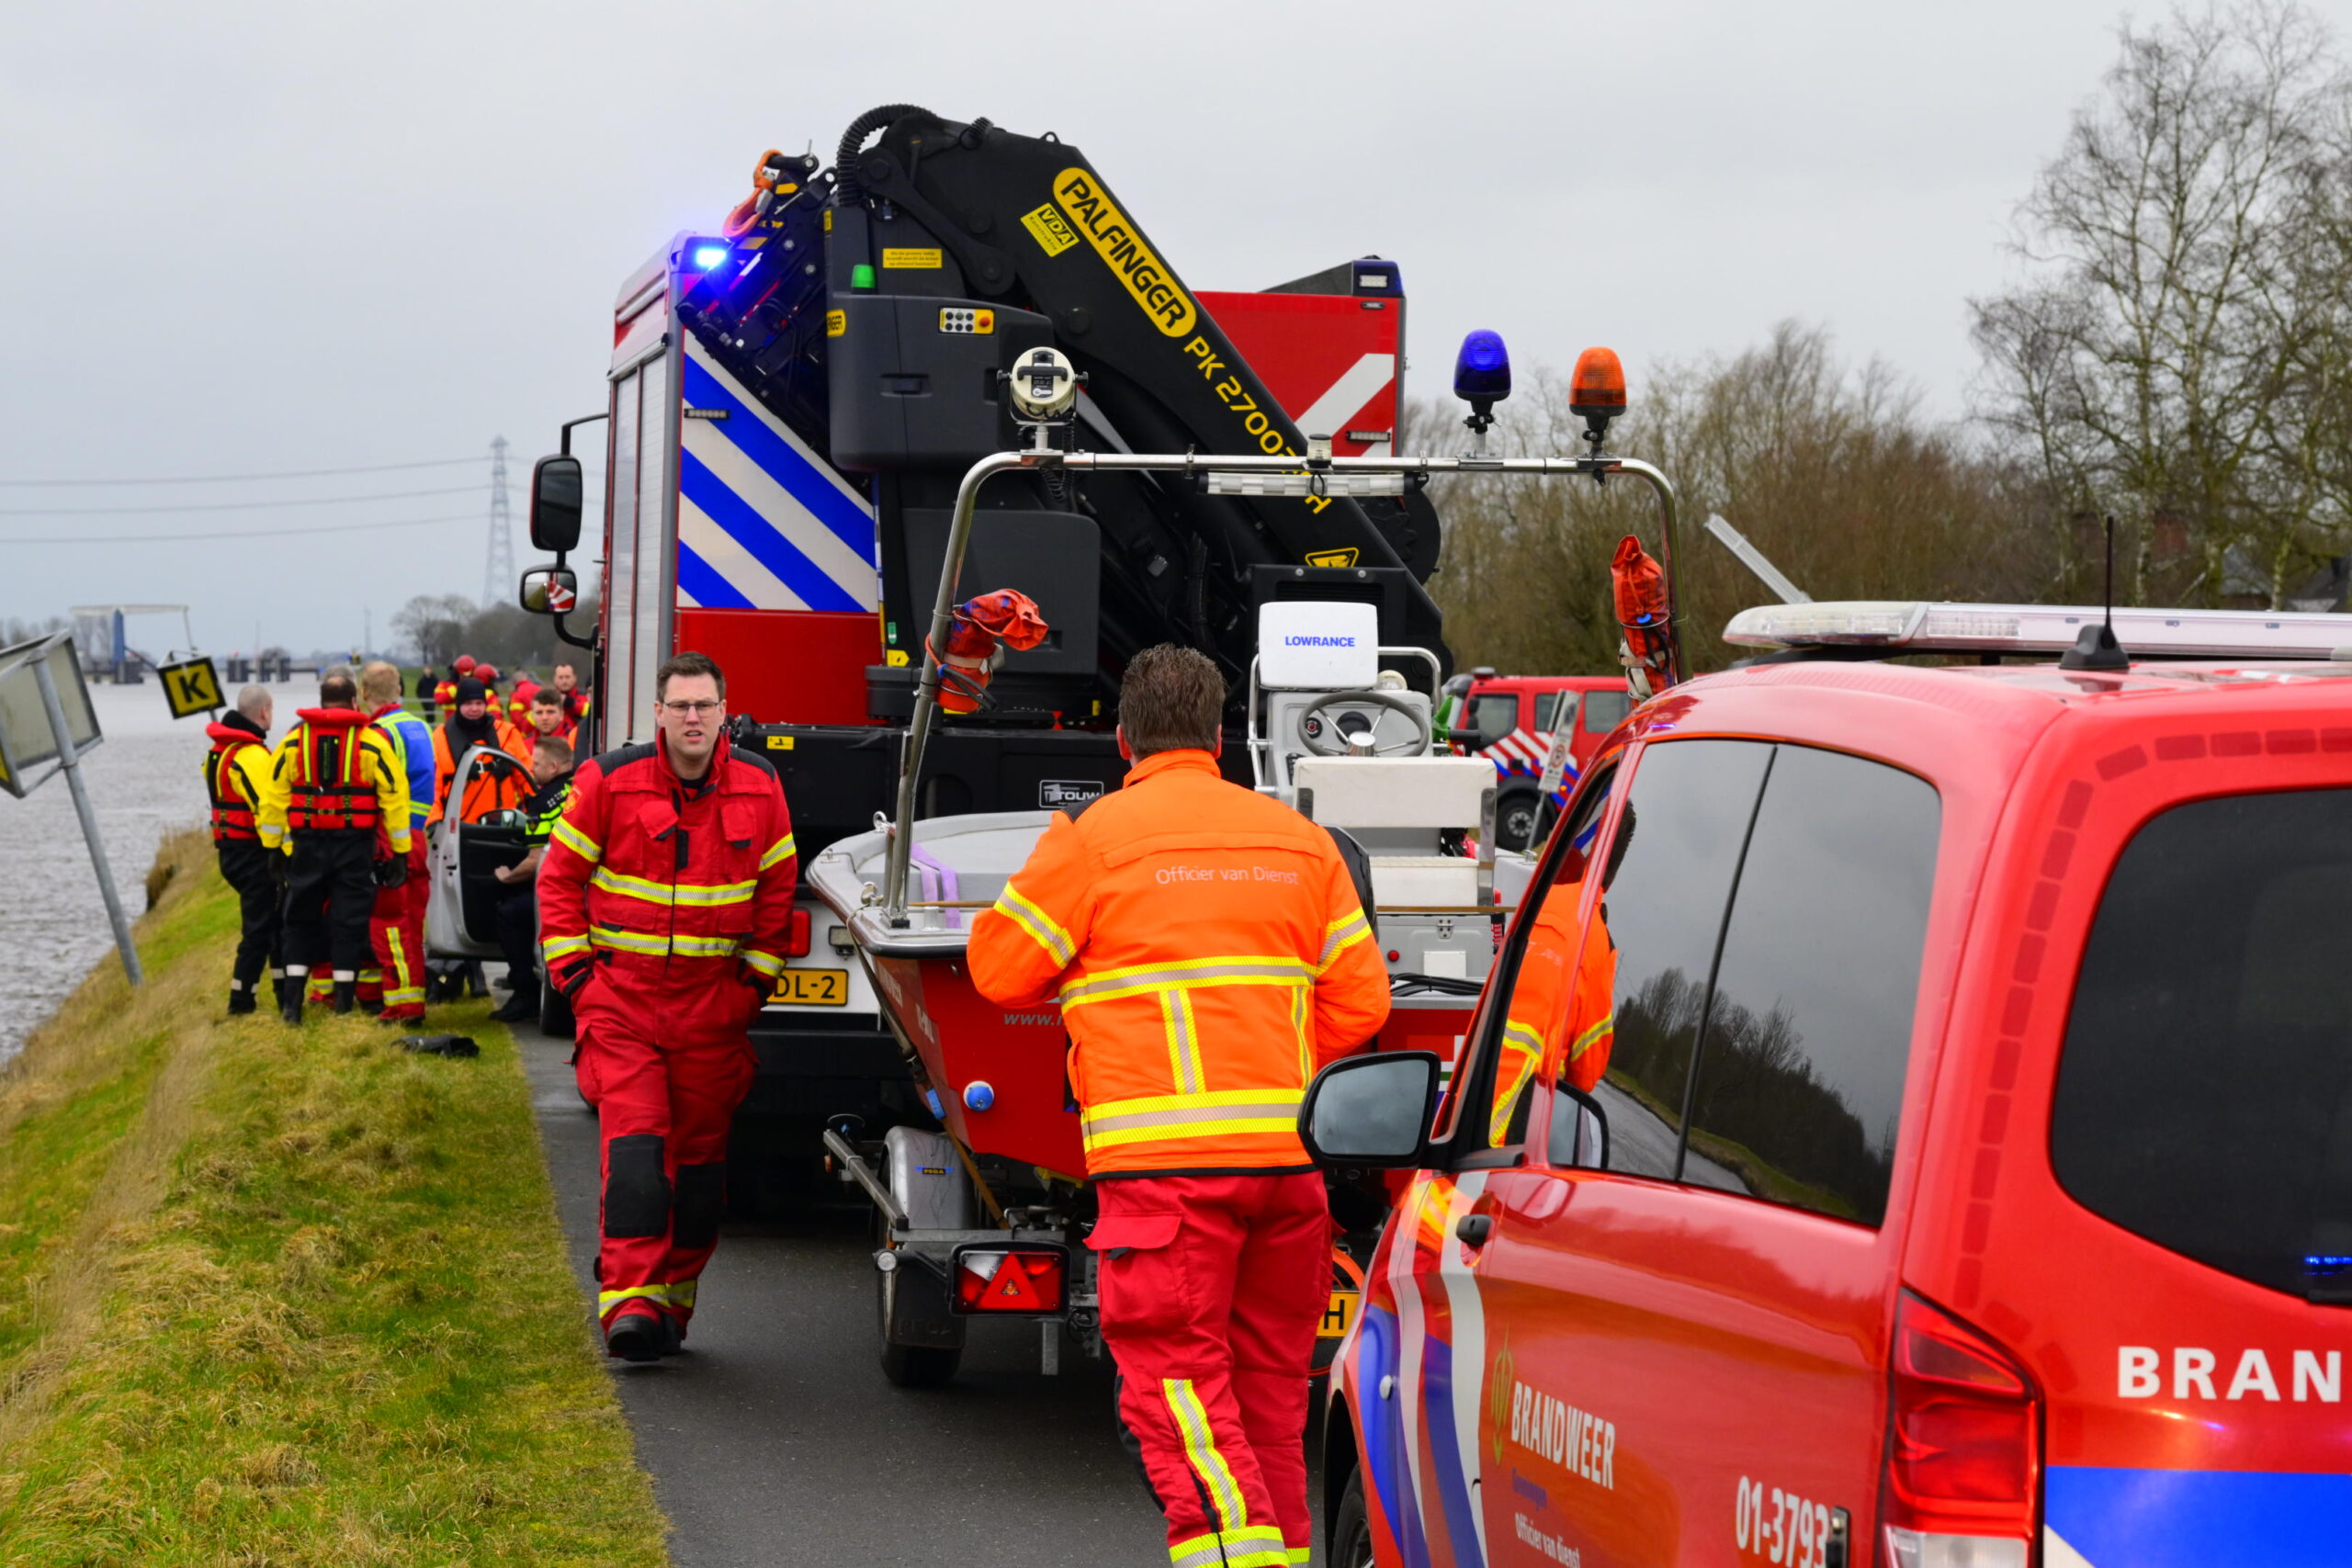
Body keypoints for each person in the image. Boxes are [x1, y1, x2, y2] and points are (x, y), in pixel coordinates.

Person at [967, 644, 1390, 1568]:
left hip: (1163, 1178)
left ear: (1122, 740)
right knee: (1268, 1402)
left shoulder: (1091, 840)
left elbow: (998, 971)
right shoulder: (1300, 841)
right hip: (1288, 1170)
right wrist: (1275, 1071)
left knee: (1179, 1395)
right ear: (1221, 737)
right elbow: (1363, 1001)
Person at [537, 651, 797, 1361]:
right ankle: (629, 1302)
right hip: (622, 1005)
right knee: (637, 1152)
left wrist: (753, 986)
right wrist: (578, 980)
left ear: (723, 712)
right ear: (658, 712)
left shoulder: (761, 787)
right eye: (679, 705)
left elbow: (777, 894)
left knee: (701, 1173)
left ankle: (673, 1302)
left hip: (712, 1012)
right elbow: (558, 881)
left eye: (704, 704)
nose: (692, 717)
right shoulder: (608, 781)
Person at [256, 670, 413, 1022]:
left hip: (306, 847)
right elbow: (395, 798)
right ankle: (342, 1007)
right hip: (354, 847)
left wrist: (273, 849)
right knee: (349, 924)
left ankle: (292, 1007)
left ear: (321, 702)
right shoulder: (372, 742)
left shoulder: (294, 742)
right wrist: (400, 853)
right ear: (355, 701)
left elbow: (273, 798)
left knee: (299, 922)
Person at [362, 660, 435, 1027]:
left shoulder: (379, 733)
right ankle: (413, 996)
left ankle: (403, 1007)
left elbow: (379, 790)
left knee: (389, 924)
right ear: (400, 690)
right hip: (419, 836)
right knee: (413, 924)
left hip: (392, 839)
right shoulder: (420, 726)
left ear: (364, 693)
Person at [204, 684, 282, 1014]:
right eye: (271, 710)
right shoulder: (251, 756)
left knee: (274, 924)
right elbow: (267, 810)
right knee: (260, 929)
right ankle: (240, 1004)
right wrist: (284, 853)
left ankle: (282, 993)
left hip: (231, 851)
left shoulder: (218, 751)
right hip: (254, 854)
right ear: (264, 712)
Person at [488, 735, 574, 1022]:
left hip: (554, 891)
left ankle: (524, 990)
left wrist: (507, 877)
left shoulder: (543, 801)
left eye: (535, 764)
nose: (532, 769)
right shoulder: (584, 786)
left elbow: (536, 860)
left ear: (553, 767)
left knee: (510, 912)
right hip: (587, 889)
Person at [430, 675, 529, 826]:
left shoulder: (507, 733)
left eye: (479, 703)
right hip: (458, 824)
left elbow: (525, 777)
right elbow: (434, 785)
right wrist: (434, 820)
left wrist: (533, 810)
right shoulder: (441, 736)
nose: (474, 708)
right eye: (468, 703)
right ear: (458, 705)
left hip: (503, 822)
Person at [517, 686, 573, 763]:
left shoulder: (573, 742)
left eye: (550, 712)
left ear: (561, 715)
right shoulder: (524, 745)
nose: (544, 717)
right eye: (539, 713)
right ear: (532, 715)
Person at [551, 659, 591, 733]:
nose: (564, 681)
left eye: (567, 677)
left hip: (577, 736)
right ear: (554, 679)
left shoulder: (585, 695)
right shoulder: (549, 698)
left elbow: (590, 711)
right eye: (560, 677)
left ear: (575, 678)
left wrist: (570, 702)